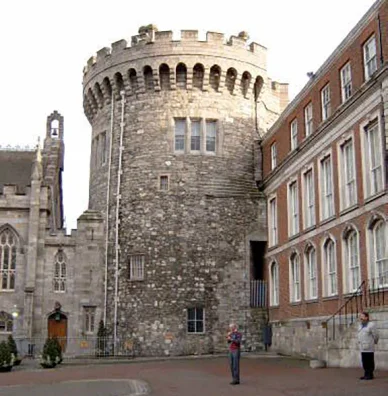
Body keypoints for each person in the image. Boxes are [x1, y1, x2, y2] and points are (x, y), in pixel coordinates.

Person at [357, 312, 379, 380]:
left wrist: (374, 342)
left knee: (369, 361)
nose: (361, 318)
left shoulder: (371, 325)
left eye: (362, 316)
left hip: (369, 346)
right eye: (360, 316)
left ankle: (370, 374)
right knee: (364, 362)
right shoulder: (360, 325)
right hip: (362, 347)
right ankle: (366, 374)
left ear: (367, 317)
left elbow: (376, 335)